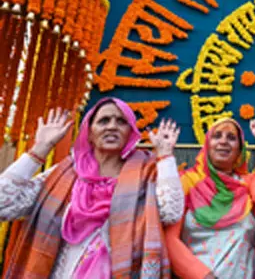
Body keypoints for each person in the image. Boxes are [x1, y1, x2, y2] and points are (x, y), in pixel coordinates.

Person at [0, 98, 184, 278]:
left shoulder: (147, 171)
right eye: (104, 120)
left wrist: (166, 156)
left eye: (121, 121)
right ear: (89, 132)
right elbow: (3, 205)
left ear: (131, 132)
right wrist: (40, 149)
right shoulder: (66, 173)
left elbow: (170, 213)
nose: (112, 126)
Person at [165, 117, 255, 279]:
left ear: (240, 150)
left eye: (231, 138)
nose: (223, 142)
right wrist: (204, 276)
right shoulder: (186, 182)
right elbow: (169, 240)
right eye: (217, 136)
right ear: (207, 145)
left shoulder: (247, 184)